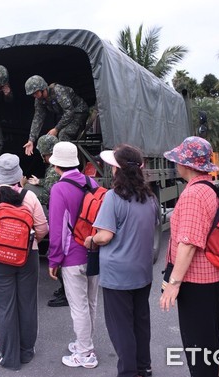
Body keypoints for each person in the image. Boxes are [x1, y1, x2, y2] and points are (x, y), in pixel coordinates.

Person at [84, 144, 158, 377]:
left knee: (120, 327)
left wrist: (91, 239)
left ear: (118, 170)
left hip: (117, 274)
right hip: (142, 271)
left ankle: (127, 372)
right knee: (140, 322)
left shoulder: (113, 197)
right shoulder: (150, 197)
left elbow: (105, 236)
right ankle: (143, 367)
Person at [0, 153, 48, 371]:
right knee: (27, 304)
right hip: (27, 257)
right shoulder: (29, 196)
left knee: (5, 307)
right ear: (18, 174)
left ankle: (9, 356)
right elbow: (42, 228)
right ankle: (26, 351)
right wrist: (29, 242)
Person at [159, 137, 219, 377]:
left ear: (186, 164)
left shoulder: (193, 195)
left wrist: (173, 284)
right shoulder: (209, 188)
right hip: (212, 276)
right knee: (209, 340)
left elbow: (187, 244)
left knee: (198, 348)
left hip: (197, 281)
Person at [48, 142, 100, 369]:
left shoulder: (59, 189)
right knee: (91, 302)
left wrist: (54, 259)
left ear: (56, 165)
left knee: (78, 306)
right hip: (94, 252)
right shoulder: (92, 183)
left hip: (72, 256)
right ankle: (84, 343)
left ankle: (86, 353)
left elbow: (57, 229)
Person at [27, 134, 68, 307]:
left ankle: (67, 292)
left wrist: (29, 193)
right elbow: (54, 185)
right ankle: (65, 288)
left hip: (58, 217)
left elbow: (50, 196)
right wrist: (41, 182)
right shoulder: (59, 167)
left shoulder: (53, 168)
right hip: (65, 217)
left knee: (57, 253)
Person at [23, 75, 89, 156]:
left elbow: (69, 112)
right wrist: (31, 140)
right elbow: (37, 119)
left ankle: (65, 164)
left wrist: (56, 129)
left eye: (36, 92)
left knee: (63, 134)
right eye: (32, 94)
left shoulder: (58, 91)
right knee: (52, 137)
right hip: (66, 117)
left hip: (79, 112)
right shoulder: (39, 100)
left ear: (43, 88)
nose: (34, 96)